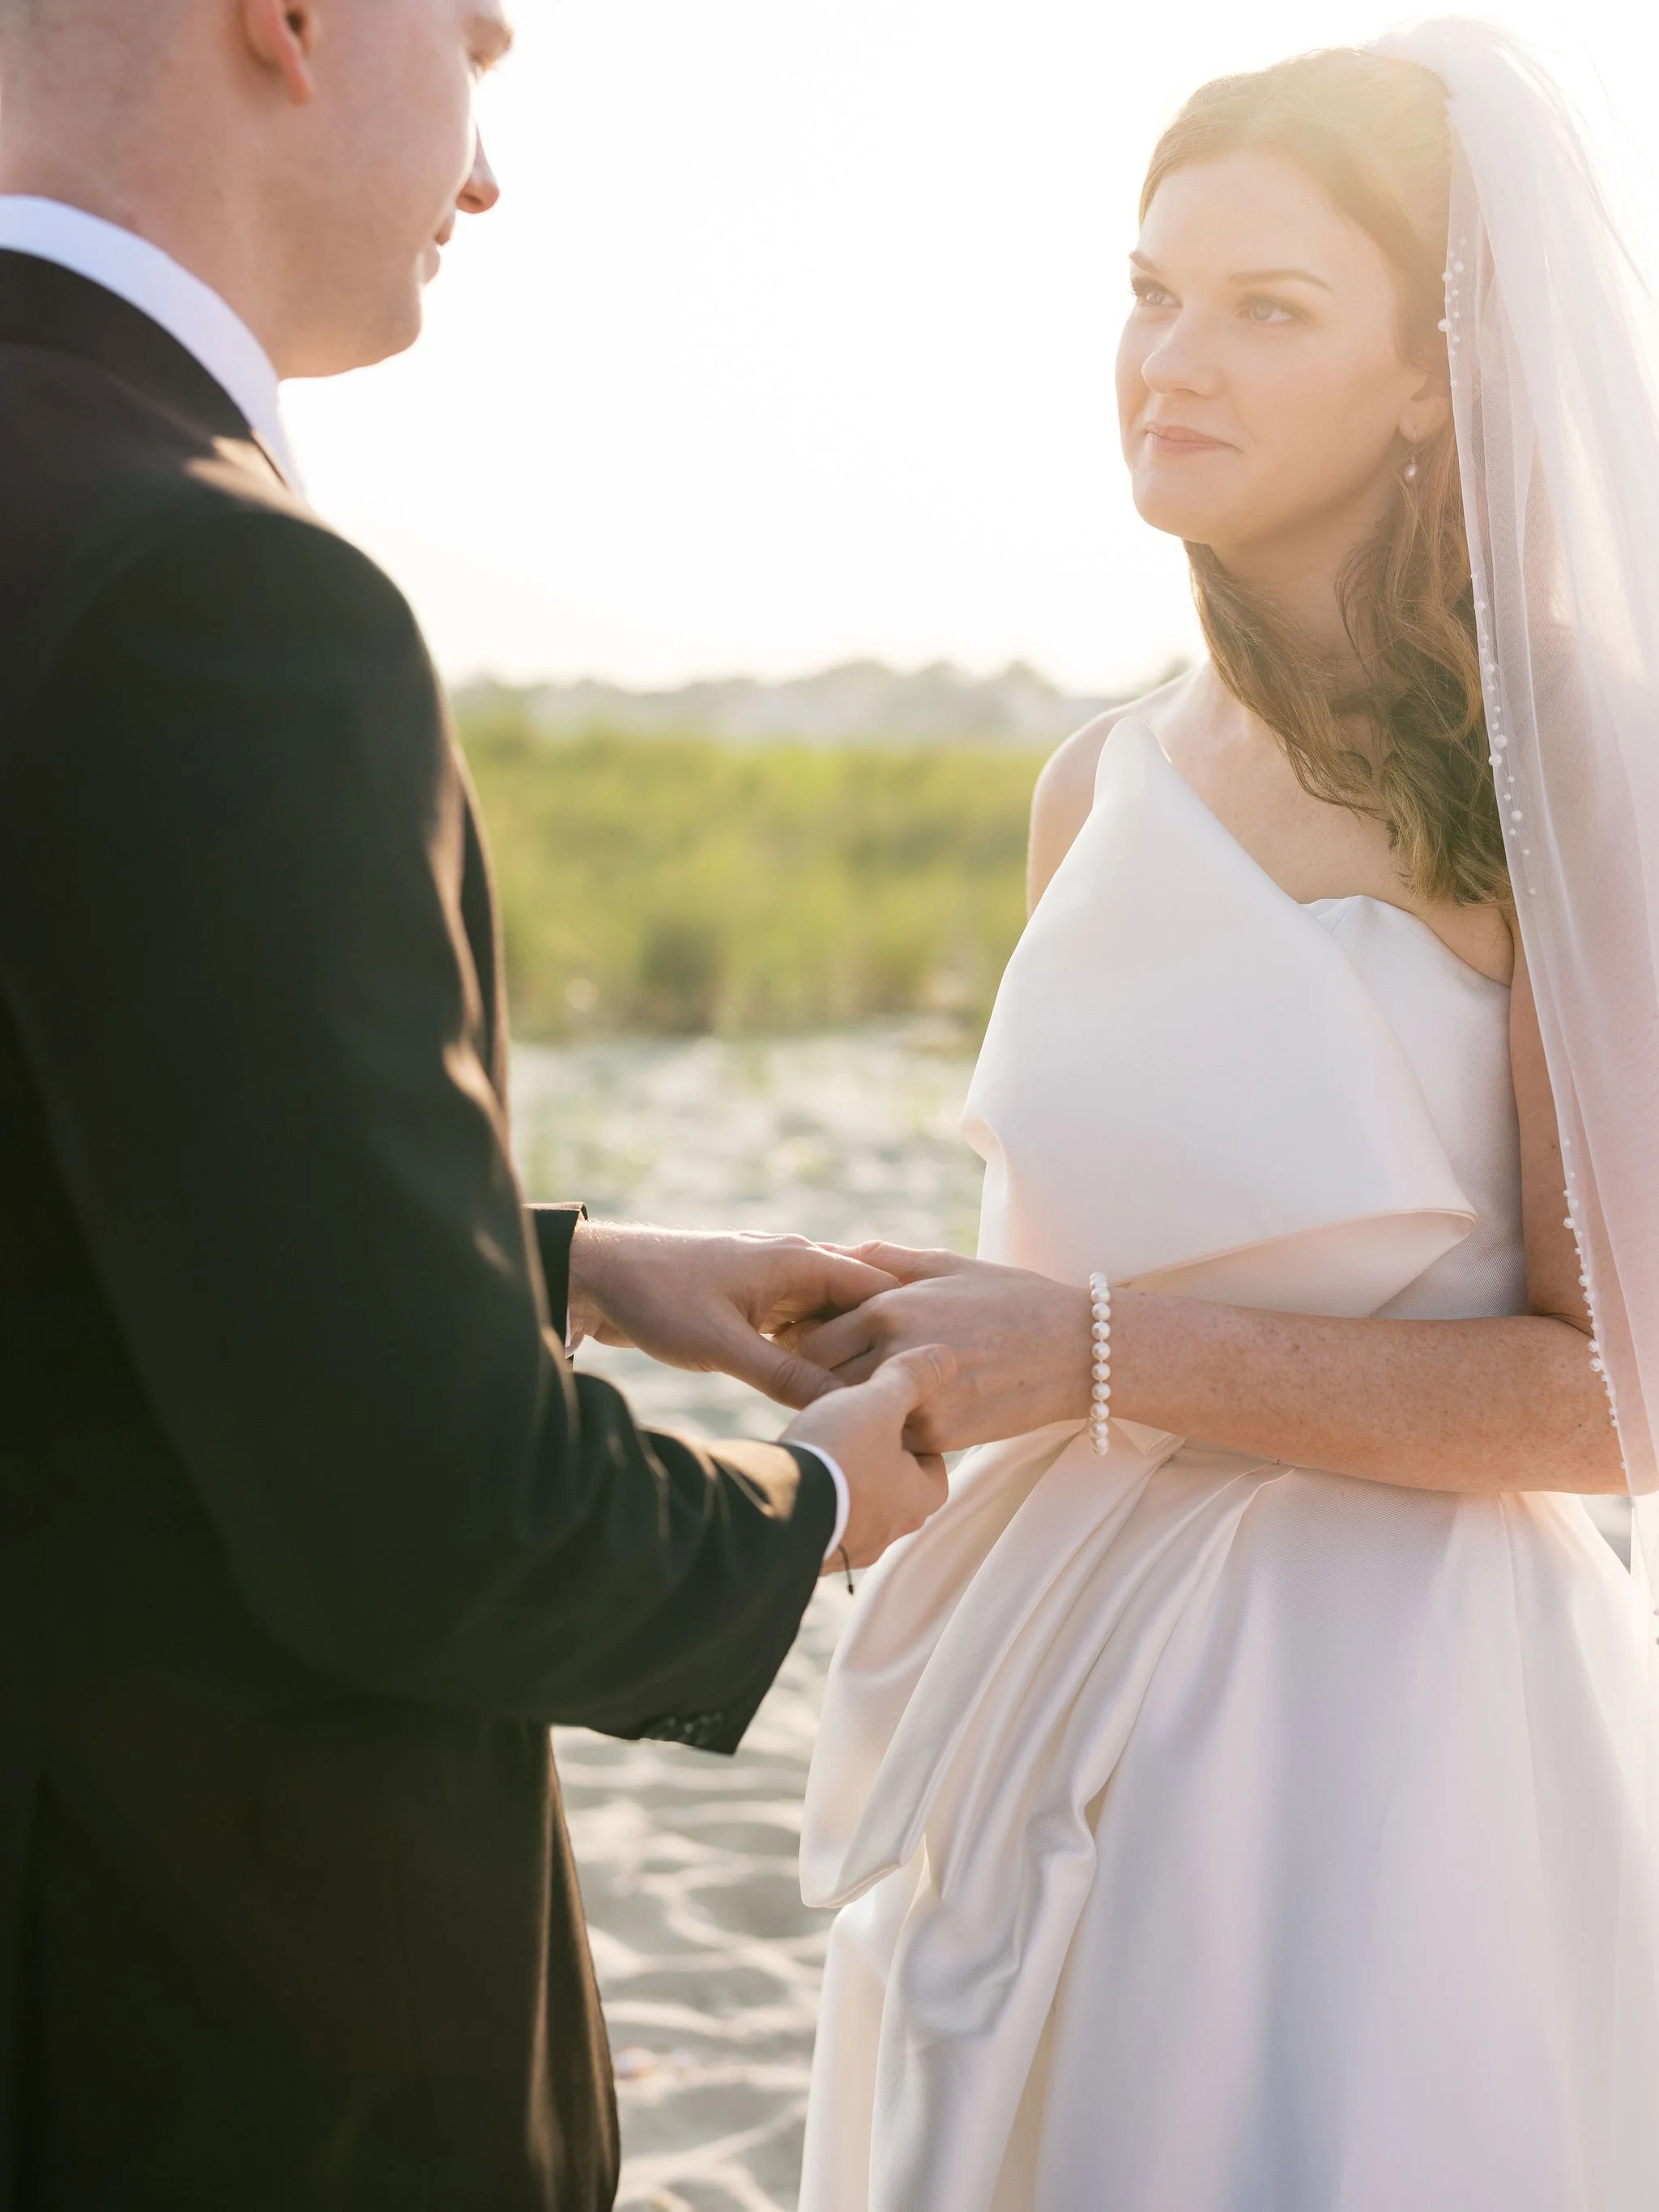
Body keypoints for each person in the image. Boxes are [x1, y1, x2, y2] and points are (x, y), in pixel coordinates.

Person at [0, 2, 956, 2204]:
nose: (490, 168)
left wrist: (564, 1269)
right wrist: (805, 1506)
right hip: (202, 2045)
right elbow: (426, 1522)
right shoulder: (217, 593)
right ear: (293, 20)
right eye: (484, 44)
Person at [795, 28, 1659, 2212]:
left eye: (1267, 309)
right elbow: (1061, 1256)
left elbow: (1618, 1397)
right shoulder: (1097, 783)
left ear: (1432, 375)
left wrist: (1088, 1354)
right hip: (1051, 1661)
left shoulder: (1564, 758)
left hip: (1383, 1725)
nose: (1167, 359)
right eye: (1151, 289)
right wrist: (926, 1335)